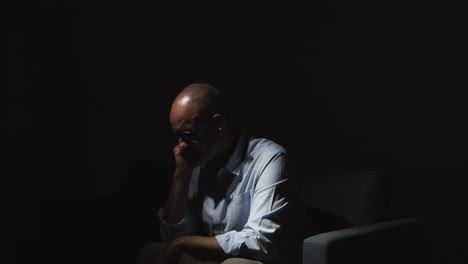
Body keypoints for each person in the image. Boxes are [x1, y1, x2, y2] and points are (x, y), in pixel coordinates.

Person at [137, 83, 299, 264]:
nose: (181, 145)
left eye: (188, 133)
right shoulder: (195, 161)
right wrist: (181, 175)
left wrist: (182, 244)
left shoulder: (270, 158)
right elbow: (172, 237)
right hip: (212, 259)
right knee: (151, 253)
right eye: (178, 135)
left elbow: (260, 242)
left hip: (258, 260)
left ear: (218, 124)